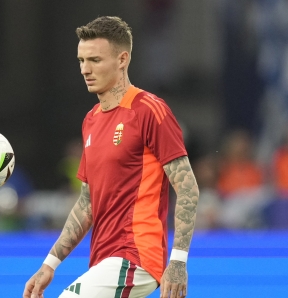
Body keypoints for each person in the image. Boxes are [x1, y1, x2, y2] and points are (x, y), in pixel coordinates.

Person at [23, 16, 199, 298]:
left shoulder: (149, 110)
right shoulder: (91, 120)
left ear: (122, 59)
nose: (84, 69)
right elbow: (87, 202)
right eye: (81, 60)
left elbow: (187, 186)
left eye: (94, 60)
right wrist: (50, 264)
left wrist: (178, 261)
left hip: (135, 255)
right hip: (103, 260)